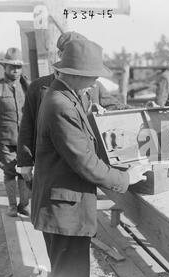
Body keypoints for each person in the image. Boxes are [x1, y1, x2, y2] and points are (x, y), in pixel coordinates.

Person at [31, 39, 148, 277]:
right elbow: (85, 162)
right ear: (76, 74)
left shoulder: (65, 97)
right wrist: (126, 177)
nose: (95, 81)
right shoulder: (62, 106)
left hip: (64, 208)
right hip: (65, 212)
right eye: (92, 75)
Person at [17, 31, 125, 183]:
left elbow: (115, 106)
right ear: (60, 54)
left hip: (83, 157)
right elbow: (27, 125)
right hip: (52, 162)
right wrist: (25, 161)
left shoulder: (94, 86)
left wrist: (147, 109)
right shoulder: (38, 87)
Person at [0, 48, 31, 216]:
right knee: (10, 171)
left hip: (25, 140)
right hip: (4, 140)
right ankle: (12, 205)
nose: (15, 70)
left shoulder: (28, 86)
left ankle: (24, 205)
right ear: (4, 67)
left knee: (26, 171)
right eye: (11, 67)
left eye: (18, 67)